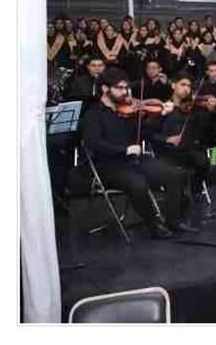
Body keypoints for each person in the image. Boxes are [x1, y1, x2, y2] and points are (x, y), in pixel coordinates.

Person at [79, 67, 188, 239]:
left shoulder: (128, 110)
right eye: (120, 88)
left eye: (126, 88)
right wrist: (124, 149)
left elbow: (145, 132)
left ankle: (173, 221)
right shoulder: (93, 114)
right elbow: (94, 143)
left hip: (134, 161)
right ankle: (153, 225)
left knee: (175, 174)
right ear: (105, 89)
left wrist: (161, 115)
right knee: (138, 183)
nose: (125, 92)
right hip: (109, 166)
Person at [151, 72, 216, 230]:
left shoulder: (193, 108)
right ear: (173, 85)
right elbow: (150, 133)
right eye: (183, 85)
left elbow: (204, 130)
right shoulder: (163, 107)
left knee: (203, 161)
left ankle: (195, 191)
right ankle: (182, 200)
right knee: (180, 167)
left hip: (188, 149)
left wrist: (209, 111)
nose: (187, 89)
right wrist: (166, 139)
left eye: (189, 86)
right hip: (167, 150)